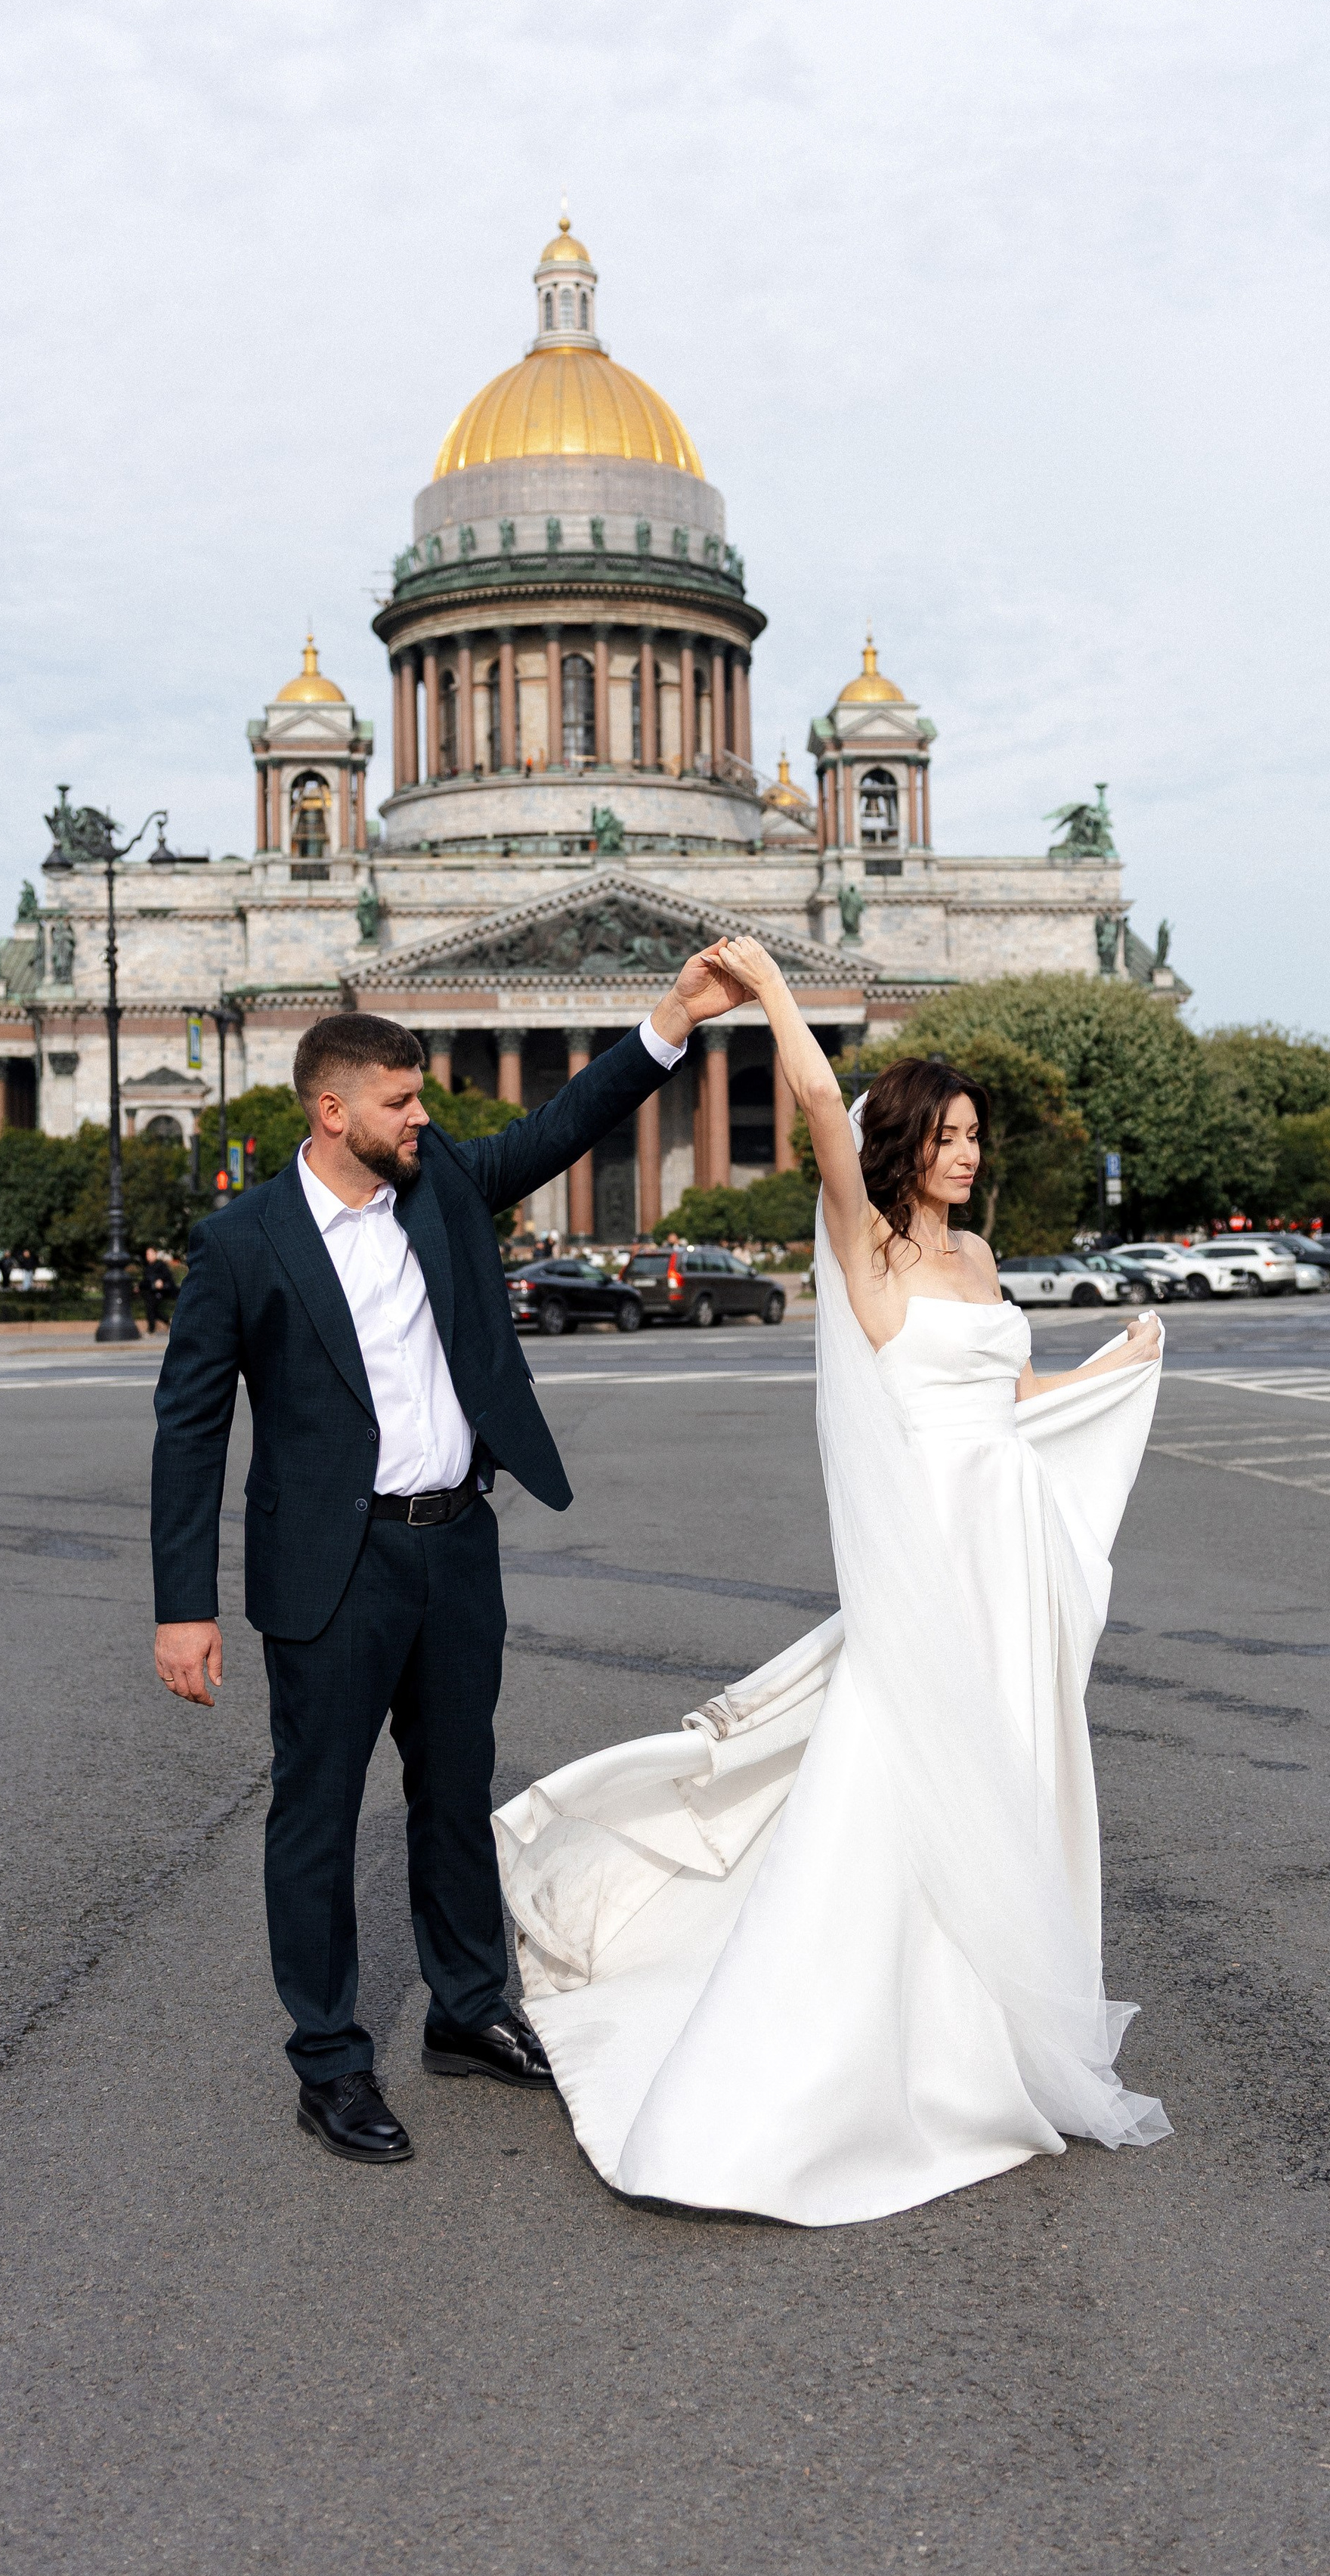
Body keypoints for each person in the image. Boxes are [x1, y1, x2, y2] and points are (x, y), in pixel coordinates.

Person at [495, 933, 1171, 2227]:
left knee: (1010, 1778)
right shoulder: (866, 1253)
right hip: (930, 1558)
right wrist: (774, 997)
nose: (970, 1154)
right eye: (951, 1134)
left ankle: (987, 2034)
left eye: (979, 1135)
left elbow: (999, 1391)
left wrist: (1109, 1369)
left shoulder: (973, 1264)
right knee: (894, 1790)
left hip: (1005, 1550)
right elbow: (813, 1100)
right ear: (903, 1143)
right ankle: (828, 2071)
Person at [150, 955, 741, 2168]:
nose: (425, 1118)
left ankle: (466, 2010)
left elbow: (564, 1122)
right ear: (332, 1111)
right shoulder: (243, 1242)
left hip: (455, 1544)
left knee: (453, 1790)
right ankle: (330, 2060)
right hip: (335, 1563)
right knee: (315, 1814)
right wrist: (182, 1608)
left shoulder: (444, 1189)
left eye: (422, 1102)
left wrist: (670, 1022)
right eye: (401, 1103)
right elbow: (190, 1429)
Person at [141, 1245, 174, 1334]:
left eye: (150, 1254)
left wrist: (161, 1281)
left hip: (161, 1292)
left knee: (151, 1308)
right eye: (147, 1254)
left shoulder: (160, 1265)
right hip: (151, 1291)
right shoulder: (147, 1267)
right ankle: (167, 1322)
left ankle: (152, 1330)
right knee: (151, 1309)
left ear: (155, 1254)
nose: (148, 1256)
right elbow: (146, 1280)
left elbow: (167, 1277)